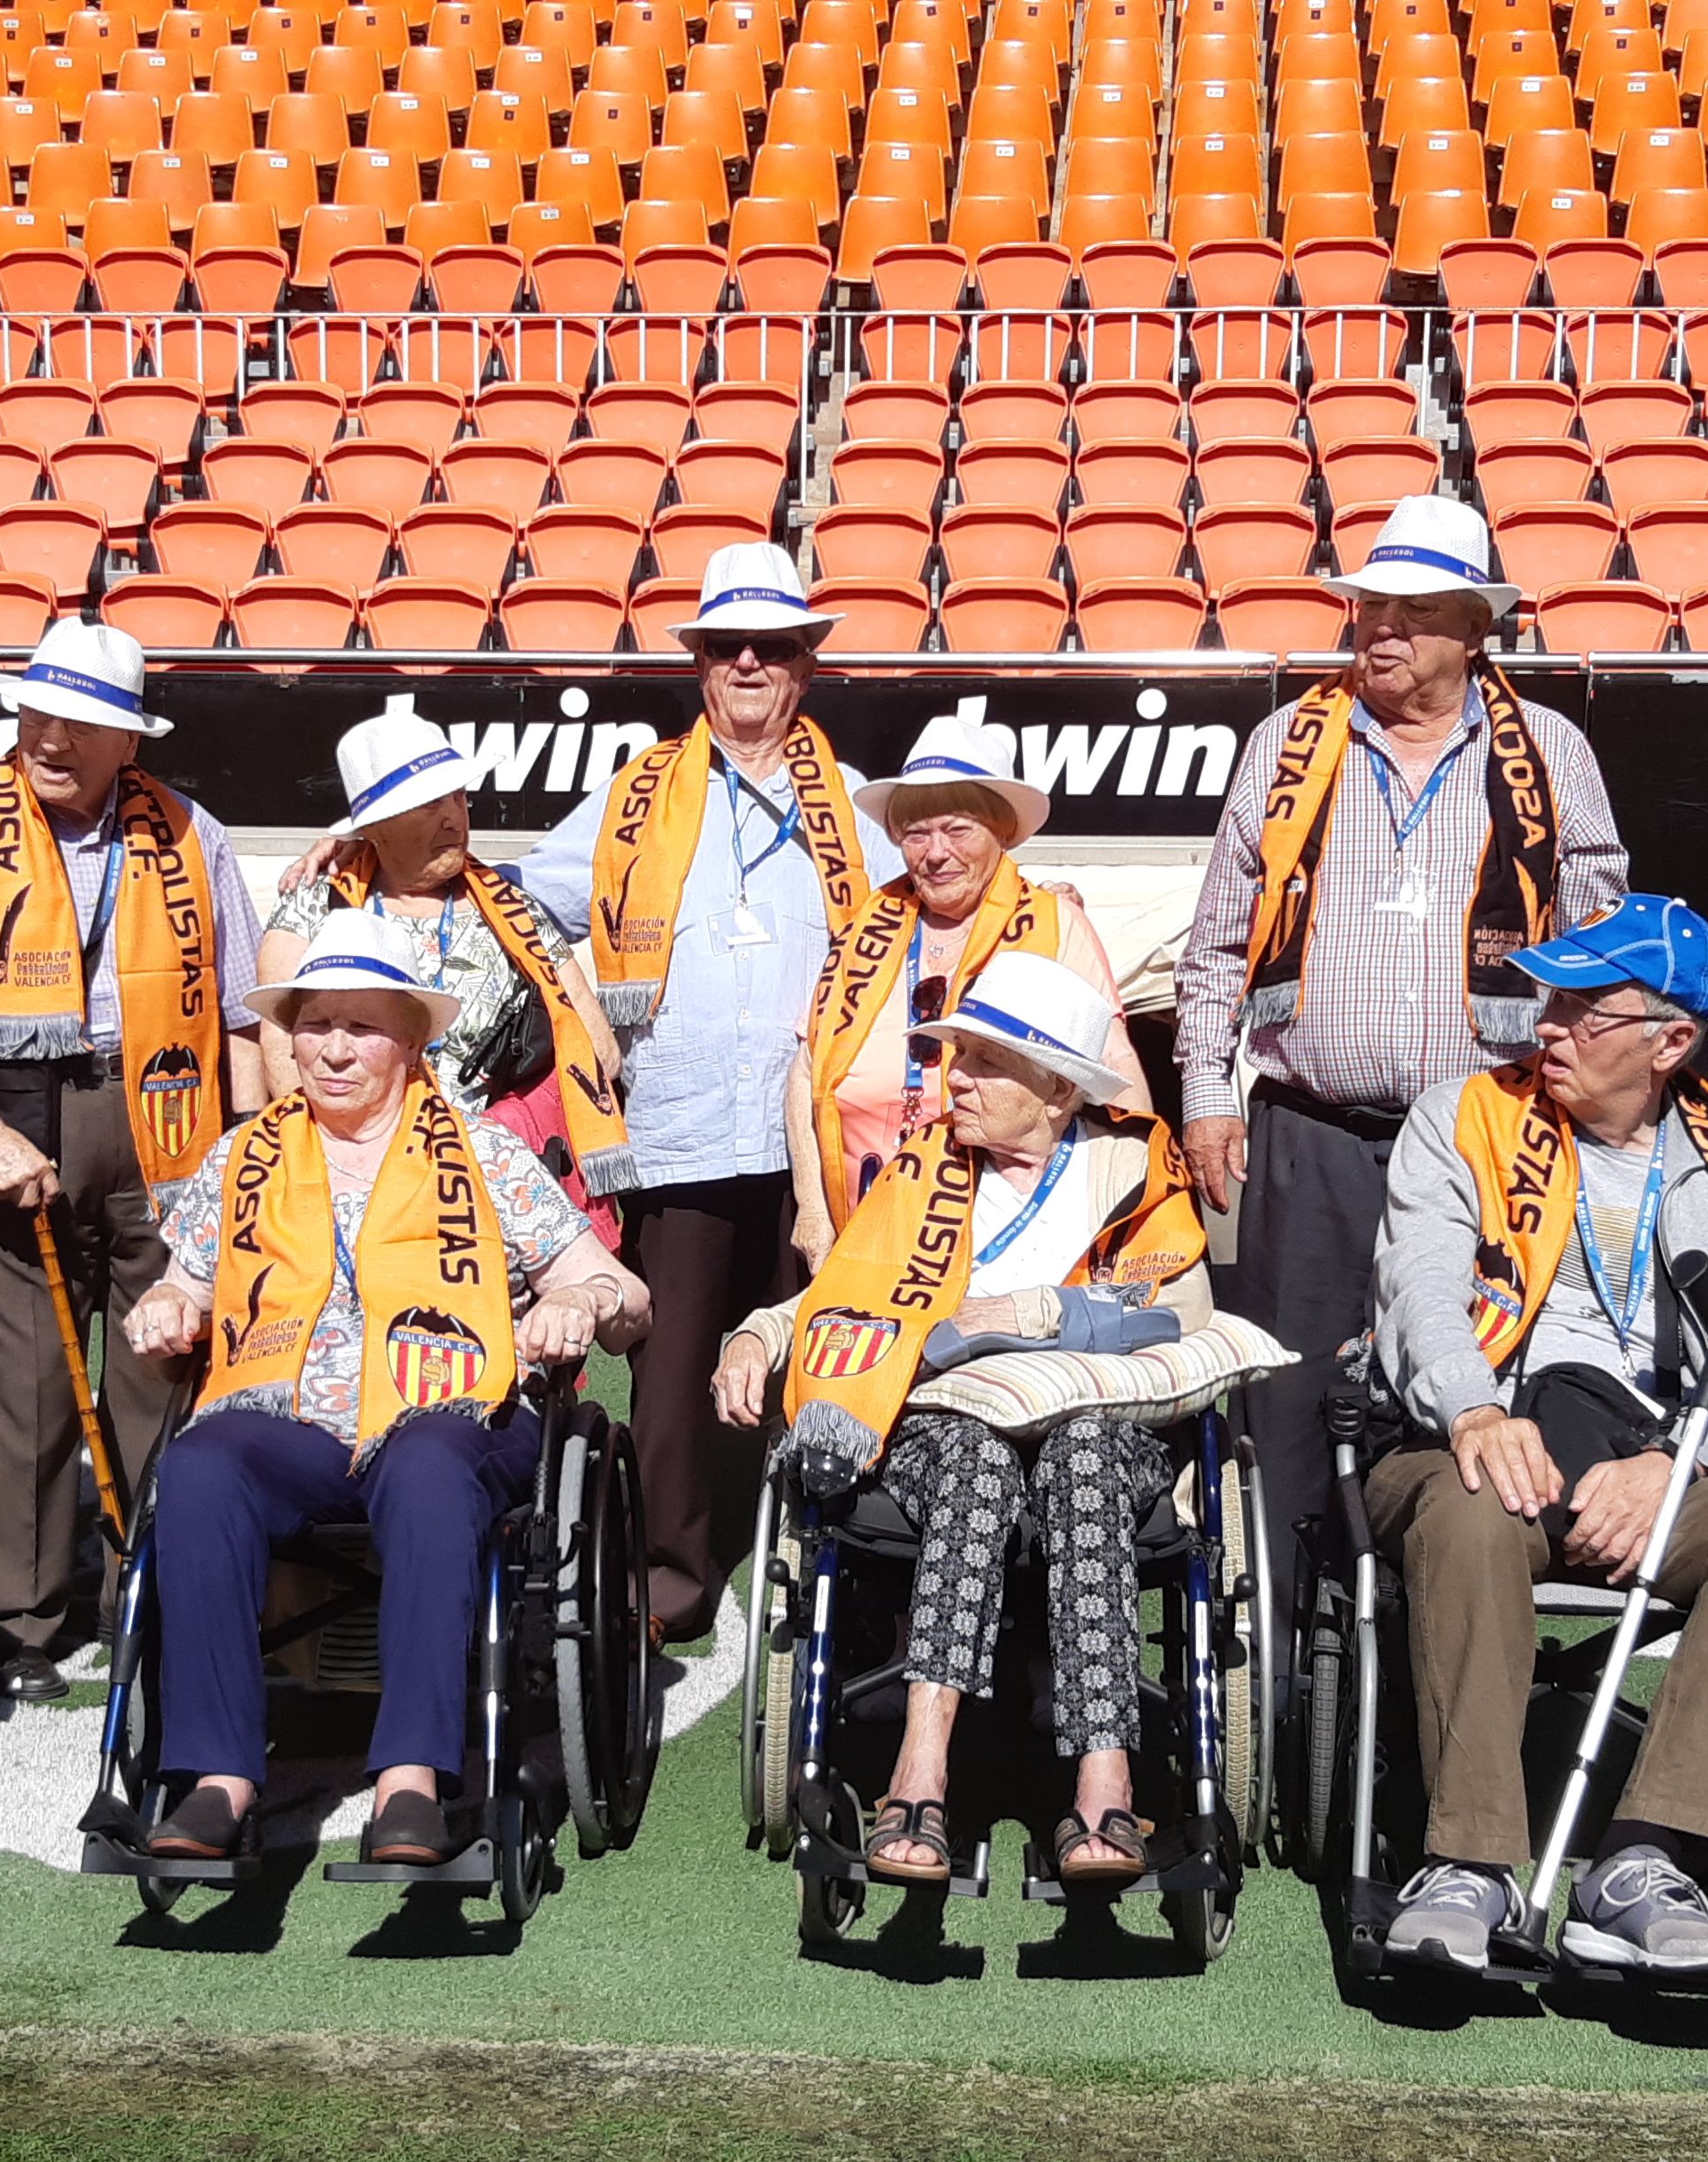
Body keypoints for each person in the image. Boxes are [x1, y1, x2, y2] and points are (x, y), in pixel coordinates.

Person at [1360, 895, 1708, 1979]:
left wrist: (1673, 1468)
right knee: (1470, 1510)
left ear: (1669, 1041)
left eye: (1584, 1010)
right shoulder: (1461, 1118)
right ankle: (1469, 1864)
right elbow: (1421, 1293)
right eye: (1549, 1000)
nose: (1546, 1025)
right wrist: (1474, 1408)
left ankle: (1643, 1861)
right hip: (1465, 1439)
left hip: (1646, 1458)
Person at [116, 911, 653, 1865]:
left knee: (430, 1463)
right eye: (315, 1025)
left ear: (412, 1040)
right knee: (200, 1468)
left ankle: (409, 1779)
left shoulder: (483, 1154)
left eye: (360, 1028)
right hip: (290, 1417)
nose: (331, 1049)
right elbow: (189, 1280)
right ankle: (218, 1777)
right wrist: (167, 1304)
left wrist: (583, 1301)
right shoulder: (244, 1158)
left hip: (452, 1412)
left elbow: (623, 1293)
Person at [1169, 493, 1630, 1585]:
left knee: (1464, 1391)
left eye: (1413, 610)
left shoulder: (1551, 755)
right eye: (1370, 604)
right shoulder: (1287, 744)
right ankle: (1278, 1668)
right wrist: (1204, 1092)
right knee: (1286, 1408)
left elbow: (1603, 957)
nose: (1380, 627)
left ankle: (1433, 1642)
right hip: (1310, 1137)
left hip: (1488, 1137)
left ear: (1476, 628)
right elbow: (1217, 946)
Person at [713, 953, 1211, 1888]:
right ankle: (921, 1766)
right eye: (957, 1058)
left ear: (1060, 1087)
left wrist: (1053, 1317)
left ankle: (1105, 1776)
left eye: (985, 1063)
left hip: (1097, 1422)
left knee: (1087, 1453)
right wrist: (756, 1335)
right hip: (949, 1427)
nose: (957, 1081)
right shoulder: (926, 1171)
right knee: (977, 1457)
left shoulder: (1133, 1167)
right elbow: (843, 1293)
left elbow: (1183, 1314)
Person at [0, 619, 263, 1702]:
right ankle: (15, 1622)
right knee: (22, 1393)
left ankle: (155, 1599)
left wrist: (247, 1148)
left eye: (83, 722)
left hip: (164, 1118)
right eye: (39, 713)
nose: (53, 737)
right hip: (0, 1111)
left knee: (165, 1367)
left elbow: (240, 1018)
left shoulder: (196, 834)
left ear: (126, 741)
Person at [518, 539, 891, 1640]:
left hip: (808, 1139)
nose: (746, 664)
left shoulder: (859, 810)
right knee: (674, 1376)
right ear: (698, 665)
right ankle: (671, 1573)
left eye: (770, 648)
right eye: (726, 646)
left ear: (804, 666)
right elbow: (522, 904)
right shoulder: (631, 796)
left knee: (815, 1351)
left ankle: (811, 1565)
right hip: (677, 1124)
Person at [784, 712, 1152, 1270]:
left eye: (957, 830)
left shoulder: (1056, 926)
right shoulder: (865, 927)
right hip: (858, 1232)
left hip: (1010, 1236)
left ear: (1000, 830)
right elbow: (807, 1069)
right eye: (916, 832)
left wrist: (1135, 1209)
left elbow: (1116, 1075)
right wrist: (812, 1213)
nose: (935, 853)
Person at [260, 708, 633, 1208]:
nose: (454, 817)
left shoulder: (514, 909)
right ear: (378, 826)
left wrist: (518, 1117)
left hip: (493, 1183)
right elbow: (285, 1060)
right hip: (351, 1187)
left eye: (459, 796)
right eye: (430, 803)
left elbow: (599, 1051)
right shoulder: (313, 905)